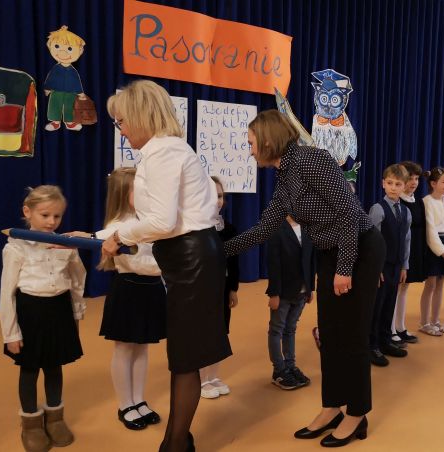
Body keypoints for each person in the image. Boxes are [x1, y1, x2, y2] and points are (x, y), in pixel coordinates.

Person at [224, 110, 384, 448]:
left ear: (268, 140)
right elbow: (264, 229)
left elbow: (348, 212)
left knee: (352, 335)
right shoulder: (284, 178)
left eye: (251, 143)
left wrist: (345, 267)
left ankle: (357, 413)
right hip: (329, 252)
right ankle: (332, 407)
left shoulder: (312, 160)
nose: (250, 151)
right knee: (330, 333)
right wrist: (218, 251)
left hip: (358, 249)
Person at [103, 80, 231, 452]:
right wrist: (108, 234)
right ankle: (178, 438)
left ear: (141, 115)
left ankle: (175, 444)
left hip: (191, 260)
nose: (121, 130)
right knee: (184, 354)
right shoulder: (168, 150)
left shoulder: (162, 153)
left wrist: (120, 234)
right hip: (191, 257)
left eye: (122, 121)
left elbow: (160, 221)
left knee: (185, 357)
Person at [0, 185, 85, 451]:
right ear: (28, 212)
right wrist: (11, 333)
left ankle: (55, 419)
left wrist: (76, 314)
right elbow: (6, 293)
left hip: (59, 310)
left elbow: (77, 279)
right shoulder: (15, 248)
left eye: (57, 216)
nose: (51, 222)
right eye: (45, 215)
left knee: (54, 365)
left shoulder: (66, 244)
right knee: (29, 369)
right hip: (30, 313)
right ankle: (31, 424)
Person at [95, 169, 166, 431]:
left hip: (151, 290)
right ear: (124, 193)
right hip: (129, 290)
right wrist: (167, 266)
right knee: (125, 349)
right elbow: (141, 263)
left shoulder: (147, 220)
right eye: (140, 190)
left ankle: (139, 399)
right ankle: (125, 404)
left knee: (142, 347)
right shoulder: (117, 227)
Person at [199, 177, 239, 399]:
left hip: (222, 289)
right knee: (203, 333)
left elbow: (233, 262)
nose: (218, 200)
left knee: (220, 331)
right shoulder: (195, 228)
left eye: (221, 196)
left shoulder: (229, 228)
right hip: (201, 289)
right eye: (212, 196)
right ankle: (201, 379)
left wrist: (233, 288)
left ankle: (213, 376)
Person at [368, 164, 411, 366]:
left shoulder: (406, 212)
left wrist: (404, 266)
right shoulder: (378, 209)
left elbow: (407, 240)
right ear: (383, 184)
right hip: (381, 267)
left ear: (404, 186)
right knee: (377, 306)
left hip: (396, 266)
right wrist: (375, 268)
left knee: (389, 305)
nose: (393, 187)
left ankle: (385, 341)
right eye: (390, 183)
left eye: (398, 184)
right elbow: (371, 241)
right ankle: (372, 346)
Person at [266, 215, 315, 390]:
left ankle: (290, 366)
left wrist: (310, 288)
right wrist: (274, 293)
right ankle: (279, 370)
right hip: (283, 292)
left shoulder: (307, 226)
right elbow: (273, 264)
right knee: (276, 330)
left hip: (302, 291)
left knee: (290, 329)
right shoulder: (276, 228)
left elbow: (310, 259)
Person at [418, 167, 444, 336]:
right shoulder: (426, 201)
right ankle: (424, 322)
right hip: (435, 247)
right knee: (431, 284)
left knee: (441, 284)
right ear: (433, 184)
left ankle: (435, 320)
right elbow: (430, 230)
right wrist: (441, 251)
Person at [391, 161, 425, 346]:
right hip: (398, 252)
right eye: (410, 178)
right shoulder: (397, 202)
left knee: (404, 289)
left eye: (417, 179)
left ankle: (400, 326)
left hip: (413, 251)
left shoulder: (417, 201)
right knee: (394, 291)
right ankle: (390, 329)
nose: (414, 182)